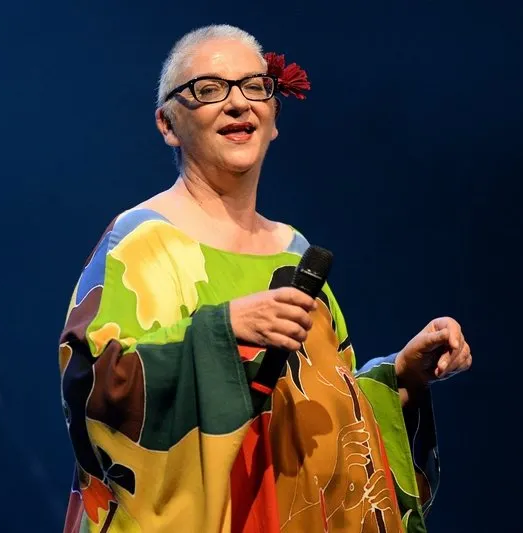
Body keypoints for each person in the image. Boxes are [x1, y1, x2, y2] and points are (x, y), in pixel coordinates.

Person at [58, 24, 472, 533]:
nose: (238, 104)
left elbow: (322, 421)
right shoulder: (141, 243)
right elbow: (96, 397)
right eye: (208, 90)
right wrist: (221, 331)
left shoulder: (296, 254)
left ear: (274, 115)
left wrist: (402, 376)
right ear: (167, 124)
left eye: (255, 86)